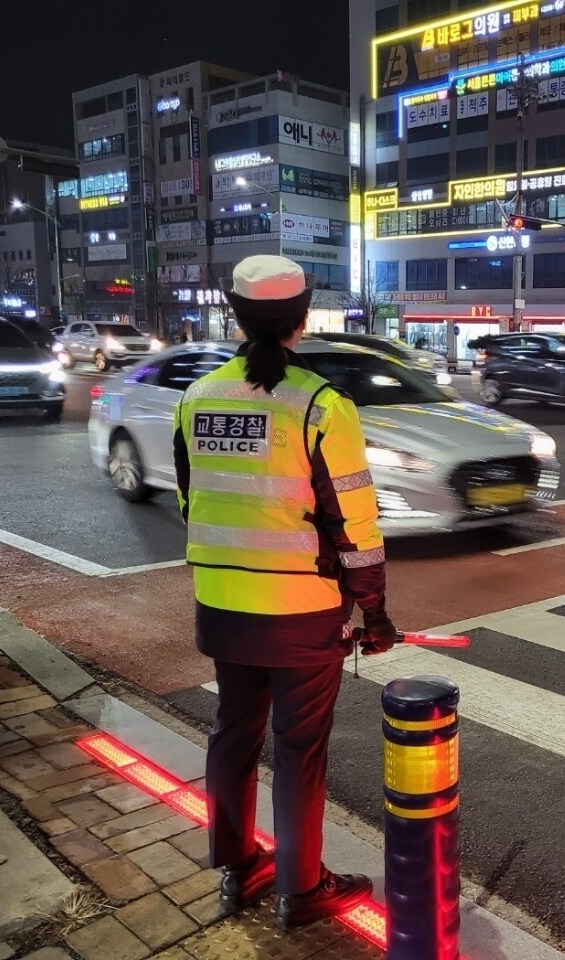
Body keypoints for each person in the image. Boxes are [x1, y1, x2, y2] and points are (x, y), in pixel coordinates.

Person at [173, 255, 396, 931]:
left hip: (222, 605)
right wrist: (375, 610)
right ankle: (301, 891)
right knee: (299, 749)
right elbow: (354, 523)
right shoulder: (321, 406)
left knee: (233, 735)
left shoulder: (198, 396)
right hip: (301, 613)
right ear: (303, 319)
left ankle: (239, 871)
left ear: (235, 315)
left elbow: (190, 503)